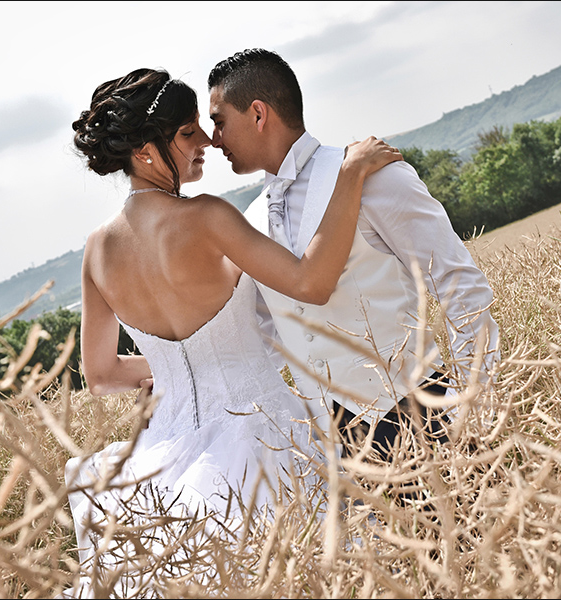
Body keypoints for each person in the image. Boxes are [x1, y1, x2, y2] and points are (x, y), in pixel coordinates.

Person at [66, 68, 402, 594]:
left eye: (202, 126)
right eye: (186, 133)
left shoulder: (96, 251)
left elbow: (102, 373)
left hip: (164, 462)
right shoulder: (206, 218)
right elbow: (310, 282)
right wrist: (350, 177)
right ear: (145, 151)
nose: (205, 141)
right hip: (263, 434)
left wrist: (181, 369)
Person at [206, 49, 500, 467]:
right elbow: (265, 339)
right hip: (337, 452)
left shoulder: (376, 176)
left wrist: (477, 403)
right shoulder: (249, 222)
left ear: (257, 114)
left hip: (426, 414)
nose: (213, 139)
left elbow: (461, 285)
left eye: (219, 122)